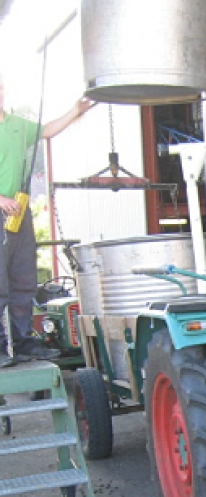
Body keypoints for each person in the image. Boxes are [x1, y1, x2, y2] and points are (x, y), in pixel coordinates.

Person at [0, 72, 94, 367]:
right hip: (2, 207)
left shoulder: (17, 126)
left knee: (24, 277)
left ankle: (23, 339)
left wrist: (75, 111)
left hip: (19, 211)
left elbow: (48, 130)